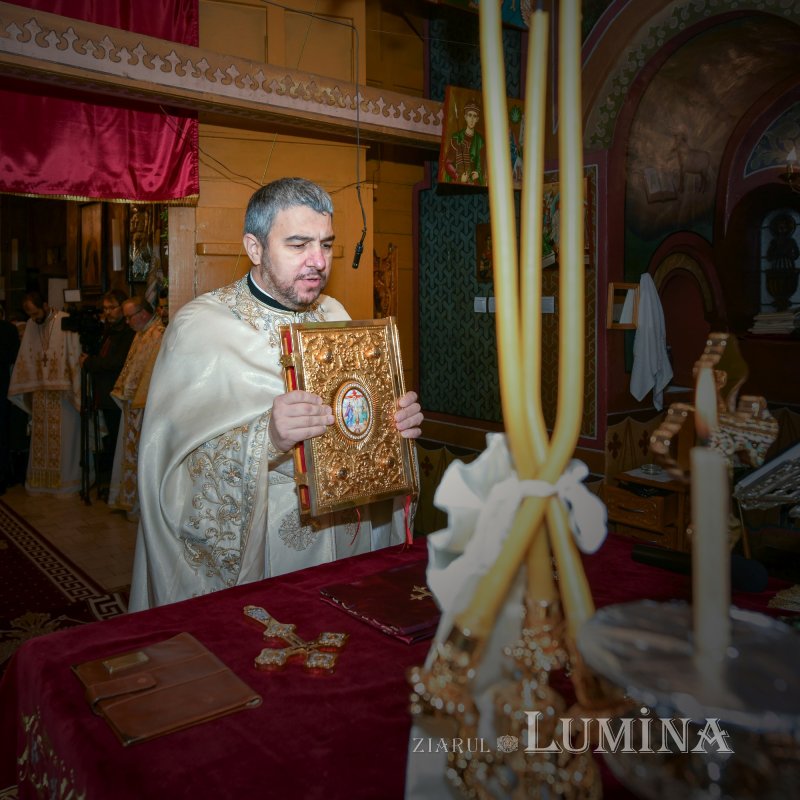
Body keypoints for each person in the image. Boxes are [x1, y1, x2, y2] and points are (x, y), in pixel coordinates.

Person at [130, 177, 423, 610]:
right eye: (299, 244)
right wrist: (265, 439)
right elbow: (170, 471)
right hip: (266, 552)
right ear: (255, 247)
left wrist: (390, 424)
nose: (318, 261)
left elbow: (353, 427)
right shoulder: (202, 328)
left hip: (343, 540)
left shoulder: (335, 314)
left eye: (326, 244)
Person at [8, 292, 83, 493]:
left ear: (46, 304)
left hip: (64, 394)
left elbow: (74, 353)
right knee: (41, 441)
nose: (34, 318)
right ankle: (43, 482)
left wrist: (73, 384)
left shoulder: (65, 320)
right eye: (30, 315)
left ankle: (67, 482)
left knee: (65, 440)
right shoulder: (32, 325)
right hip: (41, 394)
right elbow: (27, 356)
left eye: (36, 312)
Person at [107, 297, 165, 519]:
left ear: (142, 313)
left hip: (147, 407)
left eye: (130, 316)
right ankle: (132, 501)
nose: (127, 321)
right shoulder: (142, 333)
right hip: (134, 405)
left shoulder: (158, 333)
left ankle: (142, 506)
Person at [79, 290, 135, 499]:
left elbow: (117, 362)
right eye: (105, 309)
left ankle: (114, 487)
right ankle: (107, 484)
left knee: (114, 441)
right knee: (106, 441)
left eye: (112, 308)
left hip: (116, 395)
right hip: (104, 394)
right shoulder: (108, 330)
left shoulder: (127, 332)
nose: (108, 312)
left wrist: (90, 363)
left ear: (122, 307)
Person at [443, 98, 486, 185]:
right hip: (460, 181)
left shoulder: (480, 140)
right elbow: (448, 163)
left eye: (474, 116)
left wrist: (478, 173)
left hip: (474, 182)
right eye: (470, 115)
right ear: (465, 117)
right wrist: (457, 176)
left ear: (477, 119)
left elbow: (483, 164)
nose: (472, 119)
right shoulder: (456, 137)